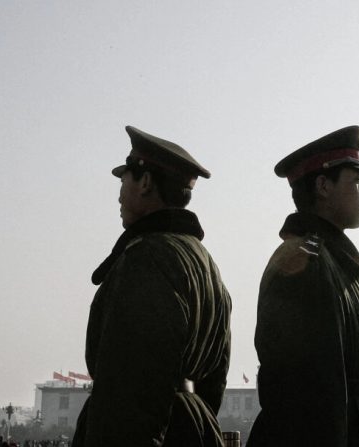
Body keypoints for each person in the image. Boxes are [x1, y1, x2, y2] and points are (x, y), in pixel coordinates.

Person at [72, 126, 232, 446]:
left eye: (123, 181)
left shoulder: (147, 257)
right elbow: (215, 378)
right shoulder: (203, 260)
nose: (119, 194)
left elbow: (129, 387)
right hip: (194, 427)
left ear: (145, 182)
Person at [247, 126, 359, 446]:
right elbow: (306, 395)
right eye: (356, 182)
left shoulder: (335, 263)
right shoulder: (305, 262)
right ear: (323, 186)